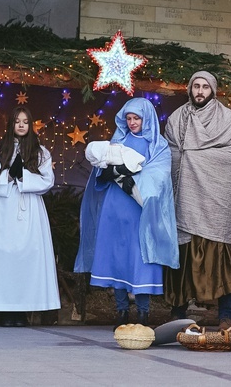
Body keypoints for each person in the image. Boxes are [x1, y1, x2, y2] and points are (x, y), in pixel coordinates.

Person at [76, 98, 178, 328]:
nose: (132, 123)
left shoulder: (157, 145)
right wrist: (108, 172)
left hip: (139, 210)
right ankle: (121, 312)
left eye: (137, 118)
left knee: (140, 258)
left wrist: (129, 175)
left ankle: (143, 313)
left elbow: (159, 175)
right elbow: (100, 168)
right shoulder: (117, 140)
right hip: (115, 207)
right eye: (129, 118)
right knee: (117, 258)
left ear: (147, 118)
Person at [163, 71, 231, 329]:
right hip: (184, 201)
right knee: (182, 258)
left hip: (214, 202)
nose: (200, 91)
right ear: (189, 89)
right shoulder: (177, 118)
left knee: (220, 259)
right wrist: (188, 157)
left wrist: (195, 157)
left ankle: (225, 316)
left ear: (213, 90)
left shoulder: (229, 119)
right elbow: (171, 154)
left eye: (205, 87)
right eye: (196, 86)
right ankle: (178, 314)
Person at [0, 107, 59, 327]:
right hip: (4, 207)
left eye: (25, 122)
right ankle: (1, 310)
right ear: (11, 124)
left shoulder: (41, 151)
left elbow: (47, 181)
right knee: (2, 256)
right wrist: (8, 176)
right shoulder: (0, 149)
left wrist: (24, 176)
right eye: (17, 121)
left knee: (27, 256)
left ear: (30, 125)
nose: (21, 125)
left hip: (29, 208)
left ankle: (22, 311)